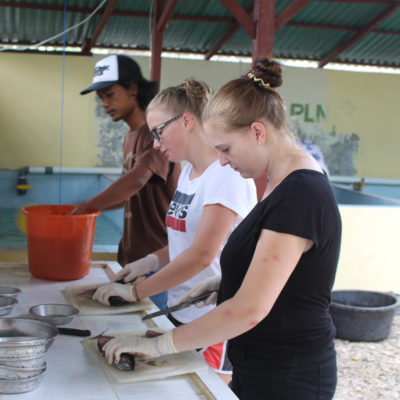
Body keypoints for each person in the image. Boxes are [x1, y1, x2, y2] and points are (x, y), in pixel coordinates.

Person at [99, 60, 341, 400]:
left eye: (225, 149)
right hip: (257, 363)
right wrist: (227, 281)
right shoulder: (280, 180)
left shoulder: (301, 192)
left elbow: (250, 309)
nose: (223, 161)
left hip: (288, 374)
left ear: (258, 132)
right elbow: (280, 269)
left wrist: (161, 346)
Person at [93, 79, 257, 382]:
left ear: (187, 121)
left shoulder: (224, 175)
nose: (155, 142)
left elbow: (202, 255)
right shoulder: (187, 173)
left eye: (159, 131)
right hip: (181, 312)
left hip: (214, 319)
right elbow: (183, 243)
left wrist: (135, 292)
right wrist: (149, 262)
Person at [76, 55, 180, 308]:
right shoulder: (131, 137)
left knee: (150, 331)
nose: (104, 103)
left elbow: (137, 180)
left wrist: (86, 207)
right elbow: (129, 193)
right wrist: (85, 210)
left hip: (157, 259)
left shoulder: (153, 134)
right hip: (132, 258)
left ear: (133, 89)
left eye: (110, 94)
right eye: (100, 97)